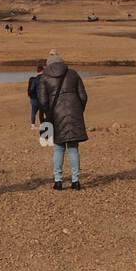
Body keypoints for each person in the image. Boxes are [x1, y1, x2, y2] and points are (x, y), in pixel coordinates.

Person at [36, 49, 88, 190]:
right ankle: (75, 181)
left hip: (55, 114)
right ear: (62, 63)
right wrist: (78, 110)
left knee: (58, 148)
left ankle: (58, 181)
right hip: (74, 113)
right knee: (73, 148)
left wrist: (48, 115)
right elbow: (83, 96)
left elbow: (42, 100)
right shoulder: (73, 74)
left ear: (48, 65)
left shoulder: (44, 78)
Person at [26, 62, 45, 130]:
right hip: (41, 98)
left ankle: (33, 125)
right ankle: (42, 125)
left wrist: (31, 96)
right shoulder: (43, 78)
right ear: (42, 70)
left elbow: (31, 89)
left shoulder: (34, 79)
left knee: (33, 112)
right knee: (42, 112)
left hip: (34, 98)